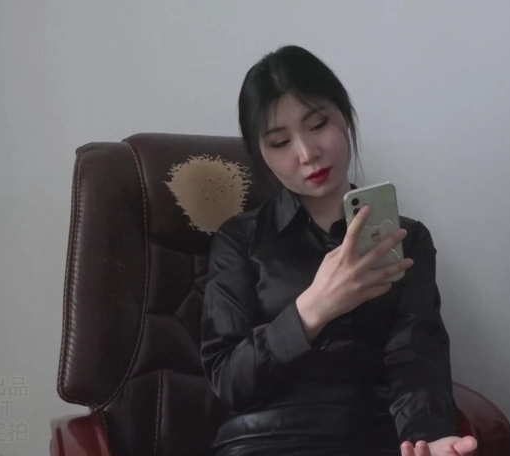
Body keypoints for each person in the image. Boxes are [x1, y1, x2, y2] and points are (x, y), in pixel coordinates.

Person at [200, 45, 477, 456]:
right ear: (263, 154)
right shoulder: (239, 240)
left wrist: (428, 438)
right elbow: (228, 380)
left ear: (344, 116)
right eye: (280, 142)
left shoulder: (407, 239)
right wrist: (314, 308)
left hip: (369, 438)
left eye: (318, 125)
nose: (307, 154)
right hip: (264, 442)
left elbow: (415, 358)